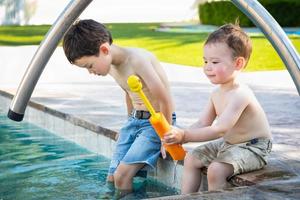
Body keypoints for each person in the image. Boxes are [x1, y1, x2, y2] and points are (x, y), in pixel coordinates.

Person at [62, 19, 175, 196]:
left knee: (122, 176)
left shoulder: (137, 60)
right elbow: (129, 94)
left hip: (157, 122)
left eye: (89, 66)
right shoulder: (113, 66)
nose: (90, 72)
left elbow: (165, 99)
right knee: (113, 177)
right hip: (136, 121)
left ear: (104, 49)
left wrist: (166, 137)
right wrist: (128, 125)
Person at [163, 23, 272, 193]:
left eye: (214, 61)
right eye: (205, 61)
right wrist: (178, 136)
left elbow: (220, 129)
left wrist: (185, 135)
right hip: (229, 143)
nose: (207, 67)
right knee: (191, 158)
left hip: (254, 147)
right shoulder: (216, 93)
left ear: (238, 63)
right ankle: (187, 197)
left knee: (216, 170)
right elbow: (202, 123)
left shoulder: (241, 94)